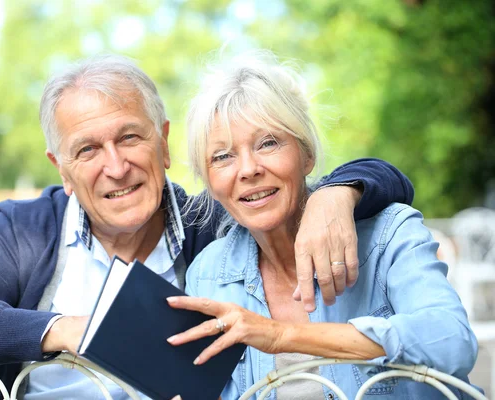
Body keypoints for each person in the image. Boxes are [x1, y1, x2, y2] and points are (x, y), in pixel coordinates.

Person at [0, 54, 414, 400]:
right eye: (88, 150)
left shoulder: (215, 224)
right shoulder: (29, 230)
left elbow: (383, 179)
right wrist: (65, 329)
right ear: (62, 168)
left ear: (164, 143)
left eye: (130, 138)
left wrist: (336, 193)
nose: (116, 167)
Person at [166, 50, 479, 399]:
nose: (248, 169)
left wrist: (281, 336)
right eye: (223, 156)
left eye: (268, 143)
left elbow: (453, 343)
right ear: (208, 181)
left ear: (307, 154)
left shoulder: (389, 235)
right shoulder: (207, 274)